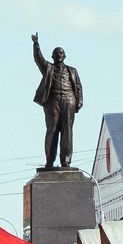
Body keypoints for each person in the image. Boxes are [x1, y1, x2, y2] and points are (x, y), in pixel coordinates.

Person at [32, 32, 83, 170]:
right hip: (52, 101)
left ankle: (66, 161)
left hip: (69, 100)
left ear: (64, 56)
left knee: (67, 131)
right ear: (53, 57)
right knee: (52, 130)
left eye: (61, 53)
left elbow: (78, 86)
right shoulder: (48, 68)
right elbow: (38, 59)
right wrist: (36, 45)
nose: (59, 54)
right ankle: (49, 160)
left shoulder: (72, 70)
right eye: (56, 53)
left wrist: (79, 101)